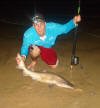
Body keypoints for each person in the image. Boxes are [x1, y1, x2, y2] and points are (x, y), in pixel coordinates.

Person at [16, 15, 81, 69]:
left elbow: (65, 29)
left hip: (47, 47)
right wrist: (23, 57)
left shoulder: (52, 27)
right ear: (33, 26)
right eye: (36, 25)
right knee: (34, 50)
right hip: (35, 46)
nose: (39, 27)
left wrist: (74, 21)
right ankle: (34, 61)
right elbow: (25, 47)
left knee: (54, 66)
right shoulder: (28, 34)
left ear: (45, 24)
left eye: (41, 24)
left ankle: (42, 54)